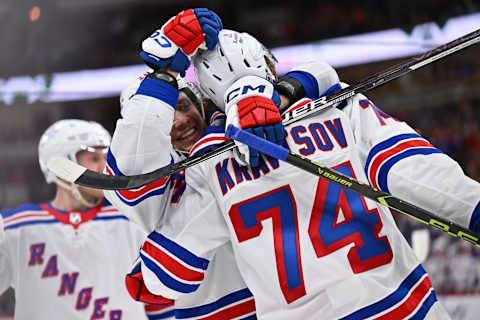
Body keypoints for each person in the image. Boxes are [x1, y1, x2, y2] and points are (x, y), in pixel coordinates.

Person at [126, 19, 480, 319]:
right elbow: (412, 168)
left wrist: (149, 274)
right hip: (398, 306)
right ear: (266, 62)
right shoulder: (336, 105)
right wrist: (473, 208)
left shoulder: (211, 160)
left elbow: (166, 271)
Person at [0, 119, 172, 319]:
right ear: (61, 165)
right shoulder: (14, 228)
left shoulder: (132, 219)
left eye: (107, 158)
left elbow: (162, 300)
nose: (105, 168)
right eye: (94, 158)